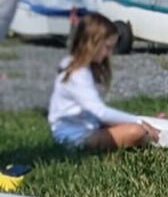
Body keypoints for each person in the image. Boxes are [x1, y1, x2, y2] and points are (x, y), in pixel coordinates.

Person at [48, 14, 160, 151]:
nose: (109, 53)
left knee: (136, 127)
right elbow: (100, 112)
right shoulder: (78, 73)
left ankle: (151, 128)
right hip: (74, 137)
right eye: (107, 47)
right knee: (136, 131)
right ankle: (152, 134)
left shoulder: (74, 64)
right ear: (92, 44)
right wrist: (138, 120)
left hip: (90, 126)